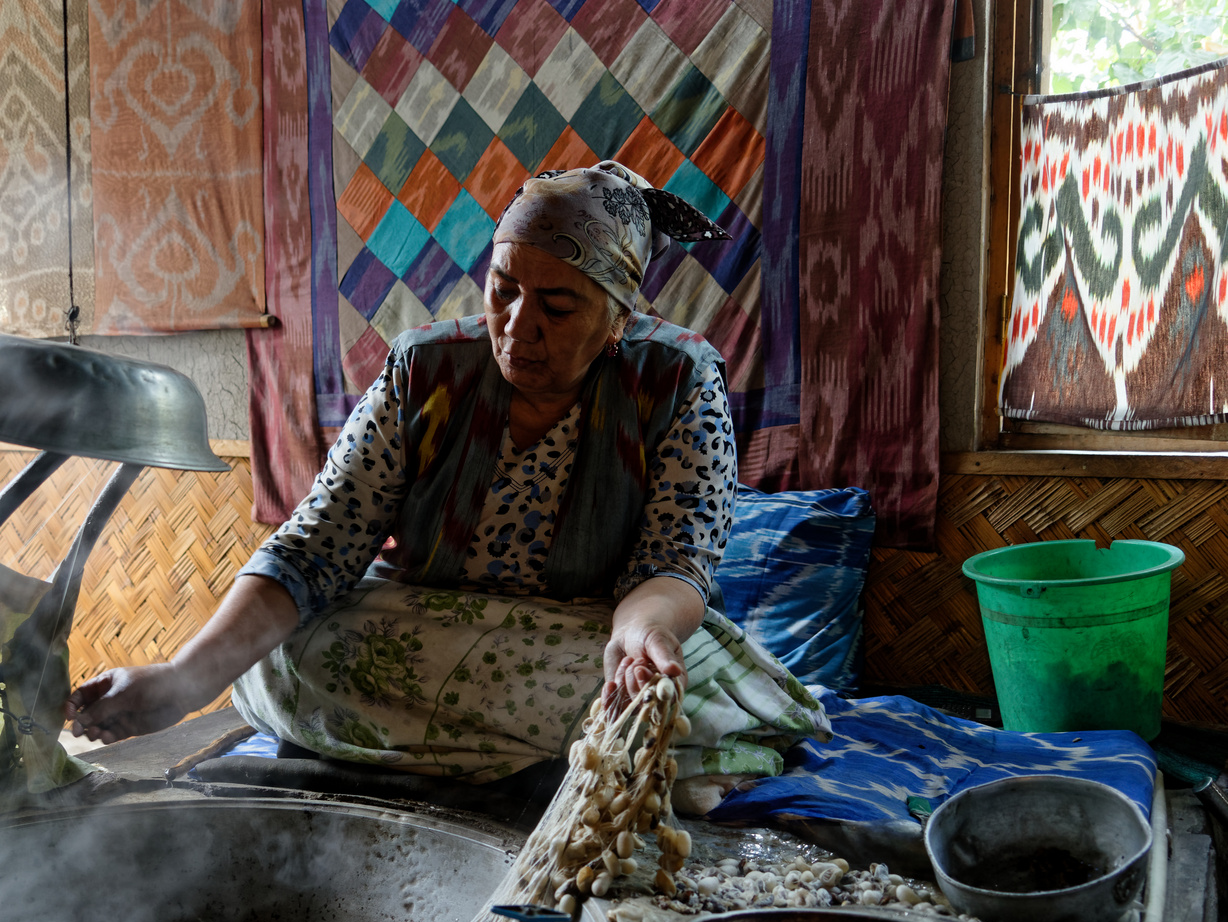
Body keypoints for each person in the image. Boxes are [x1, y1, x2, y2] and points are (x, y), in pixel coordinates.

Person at [68, 161, 829, 811]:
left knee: (659, 694)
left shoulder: (677, 379)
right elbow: (314, 550)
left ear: (619, 321)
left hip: (588, 638)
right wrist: (180, 679)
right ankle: (545, 764)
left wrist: (641, 634)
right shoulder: (423, 368)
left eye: (558, 307)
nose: (518, 325)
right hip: (423, 620)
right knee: (280, 656)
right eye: (504, 290)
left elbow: (675, 560)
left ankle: (439, 750)